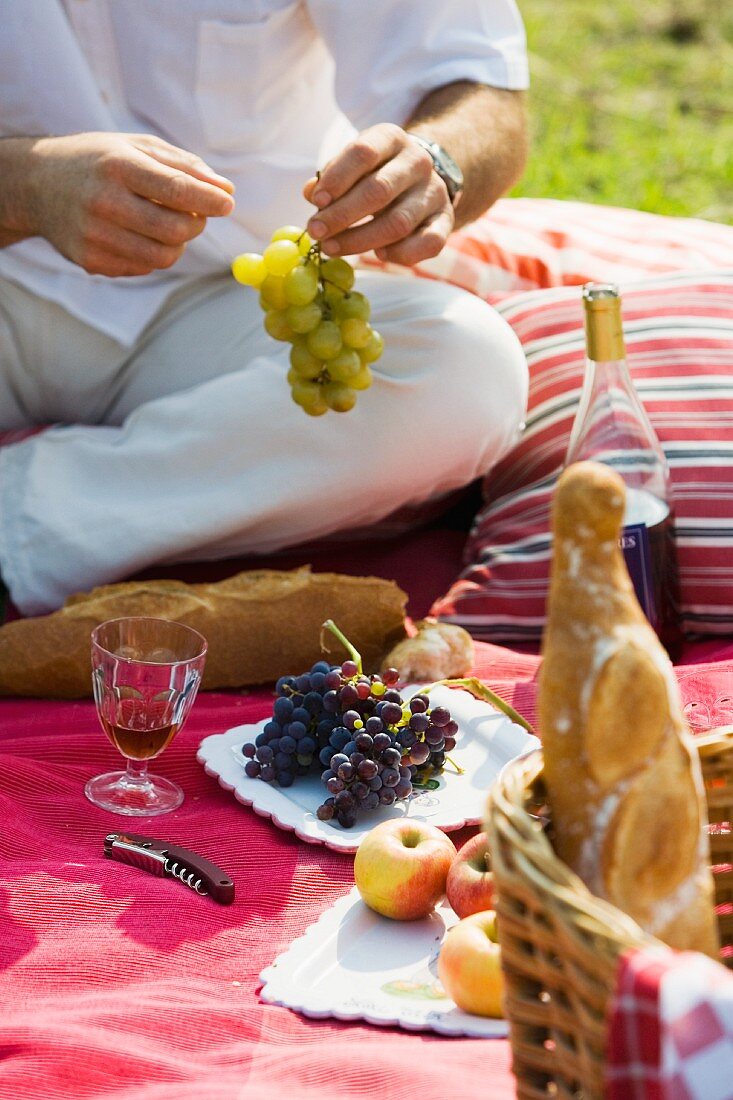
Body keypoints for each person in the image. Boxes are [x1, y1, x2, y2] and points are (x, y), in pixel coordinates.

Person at [0, 0, 530, 616]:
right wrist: (26, 187)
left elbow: (479, 87)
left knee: (468, 368)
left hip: (234, 302)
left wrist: (434, 165)